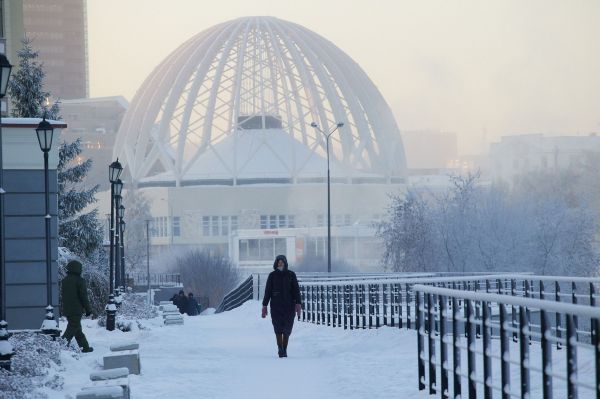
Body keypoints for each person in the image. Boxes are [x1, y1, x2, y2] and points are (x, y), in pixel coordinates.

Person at [261, 255, 302, 358]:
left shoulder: (291, 275)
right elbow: (268, 291)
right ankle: (280, 348)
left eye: (282, 262)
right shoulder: (272, 276)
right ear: (276, 263)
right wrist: (264, 305)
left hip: (289, 306)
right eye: (279, 262)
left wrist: (298, 303)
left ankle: (285, 348)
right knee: (278, 328)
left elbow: (296, 290)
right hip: (276, 306)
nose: (280, 264)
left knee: (287, 328)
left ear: (285, 263)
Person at [61, 260, 93, 353]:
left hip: (67, 309)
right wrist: (88, 309)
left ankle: (85, 348)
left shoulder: (65, 281)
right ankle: (60, 346)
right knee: (72, 328)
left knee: (77, 329)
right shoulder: (80, 281)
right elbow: (83, 296)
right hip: (76, 309)